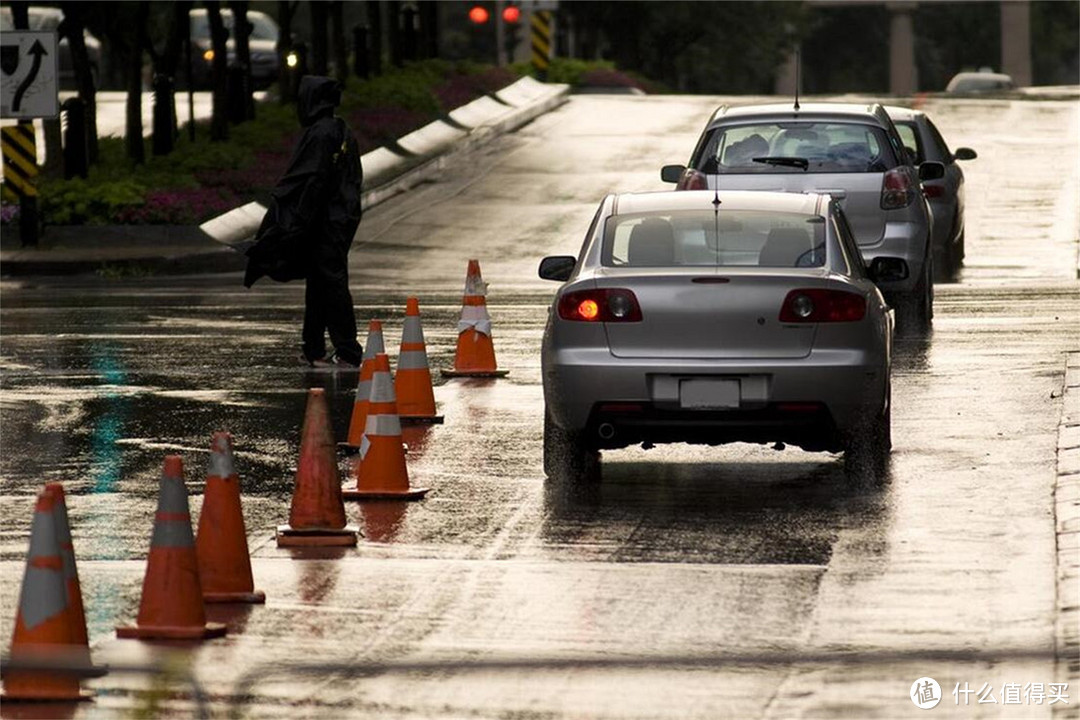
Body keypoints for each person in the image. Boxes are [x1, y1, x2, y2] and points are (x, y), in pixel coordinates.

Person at [244, 75, 364, 368]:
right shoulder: (337, 130)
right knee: (321, 282)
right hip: (334, 220)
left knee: (331, 283)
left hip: (326, 222)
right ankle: (314, 349)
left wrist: (296, 222)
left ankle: (347, 351)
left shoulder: (322, 135)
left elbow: (313, 182)